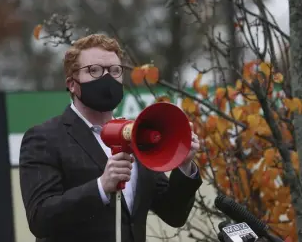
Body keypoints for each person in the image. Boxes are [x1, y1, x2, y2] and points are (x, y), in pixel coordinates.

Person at [19, 34, 203, 242]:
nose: (107, 78)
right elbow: (40, 218)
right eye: (94, 70)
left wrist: (184, 166)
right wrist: (100, 187)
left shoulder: (136, 135)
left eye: (115, 71)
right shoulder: (45, 138)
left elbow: (174, 214)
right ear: (72, 84)